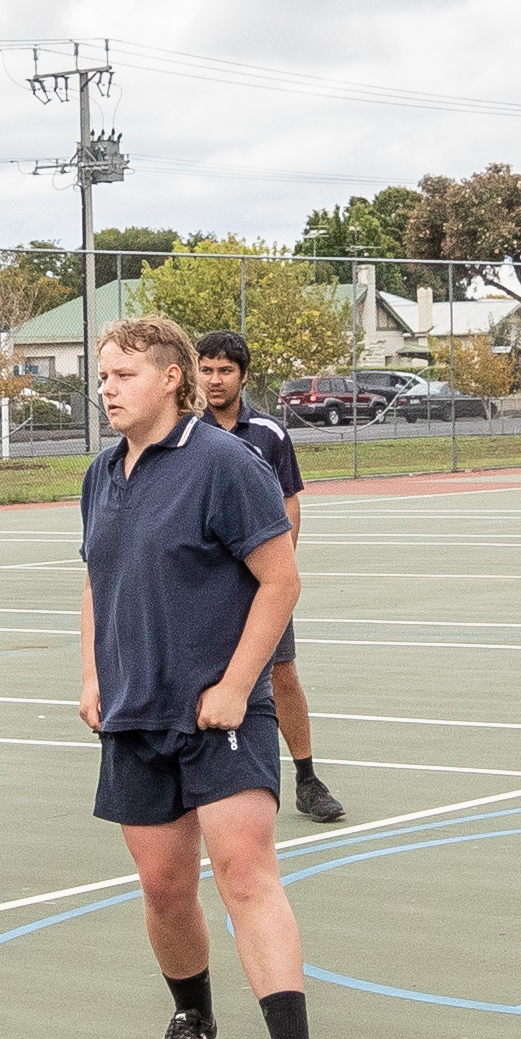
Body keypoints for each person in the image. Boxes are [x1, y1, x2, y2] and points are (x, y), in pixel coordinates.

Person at [74, 311, 324, 1039]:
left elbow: (279, 581)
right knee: (163, 886)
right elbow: (94, 579)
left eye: (123, 374)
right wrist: (91, 675)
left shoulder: (226, 464)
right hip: (134, 714)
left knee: (245, 874)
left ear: (171, 377)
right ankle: (195, 1014)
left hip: (223, 714)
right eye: (103, 375)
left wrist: (234, 685)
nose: (107, 387)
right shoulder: (101, 474)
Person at [189, 335, 347, 825]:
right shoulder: (186, 431)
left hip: (260, 586)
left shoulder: (269, 434)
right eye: (207, 370)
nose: (215, 380)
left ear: (243, 376)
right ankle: (196, 780)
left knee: (282, 675)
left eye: (225, 371)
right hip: (205, 589)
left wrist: (280, 567)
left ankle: (306, 777)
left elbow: (289, 501)